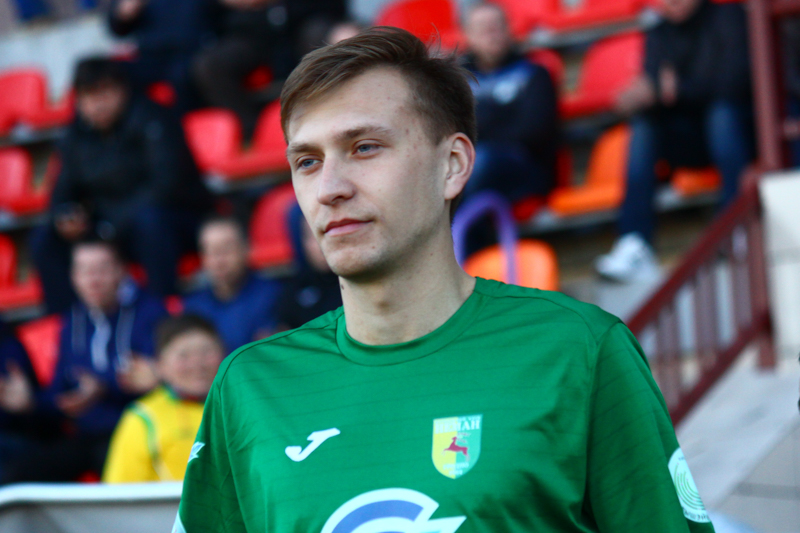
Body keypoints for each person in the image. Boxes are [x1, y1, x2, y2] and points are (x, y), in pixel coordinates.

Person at [175, 28, 715, 532]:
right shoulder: (248, 387)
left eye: (365, 147)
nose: (330, 188)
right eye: (307, 162)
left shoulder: (580, 351)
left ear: (452, 164)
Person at [30, 57, 212, 314]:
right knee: (45, 238)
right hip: (109, 229)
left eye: (104, 92)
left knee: (151, 221)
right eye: (89, 95)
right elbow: (61, 192)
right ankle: (68, 323)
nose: (98, 103)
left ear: (123, 90)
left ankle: (160, 314)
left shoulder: (154, 119)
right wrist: (66, 216)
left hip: (175, 221)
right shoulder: (74, 137)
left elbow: (167, 186)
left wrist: (111, 226)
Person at [595, 0, 753, 282]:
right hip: (689, 140)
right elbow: (658, 92)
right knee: (643, 124)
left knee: (723, 113)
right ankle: (634, 242)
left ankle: (734, 226)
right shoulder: (658, 32)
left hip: (738, 134)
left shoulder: (728, 17)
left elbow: (735, 82)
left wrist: (679, 88)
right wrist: (640, 98)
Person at [28, 239, 168, 481]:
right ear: (73, 277)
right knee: (23, 474)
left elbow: (151, 378)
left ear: (121, 271)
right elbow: (59, 389)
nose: (93, 280)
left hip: (133, 429)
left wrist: (102, 387)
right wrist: (30, 402)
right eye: (84, 271)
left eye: (102, 269)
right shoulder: (72, 321)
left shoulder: (151, 313)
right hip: (83, 434)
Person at [103, 314, 224, 483]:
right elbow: (120, 491)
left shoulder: (244, 407)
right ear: (161, 365)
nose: (197, 364)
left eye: (206, 352)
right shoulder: (143, 417)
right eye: (184, 356)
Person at [461, 2, 558, 203]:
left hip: (524, 169)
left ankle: (459, 224)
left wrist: (482, 123)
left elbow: (534, 133)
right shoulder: (458, 82)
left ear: (509, 30)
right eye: (483, 29)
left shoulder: (534, 74)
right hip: (475, 161)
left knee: (478, 162)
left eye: (496, 27)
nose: (491, 34)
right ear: (468, 36)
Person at [183, 216, 283, 353]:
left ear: (247, 248)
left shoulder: (273, 295)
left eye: (226, 250)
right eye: (209, 251)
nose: (218, 261)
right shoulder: (193, 306)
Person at [108, 0, 218, 112]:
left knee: (181, 76)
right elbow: (118, 28)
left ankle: (181, 120)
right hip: (150, 55)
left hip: (191, 52)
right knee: (114, 74)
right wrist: (124, 14)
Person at [274, 203, 341, 331]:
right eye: (311, 235)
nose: (320, 244)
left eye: (327, 231)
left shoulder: (362, 281)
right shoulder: (292, 291)